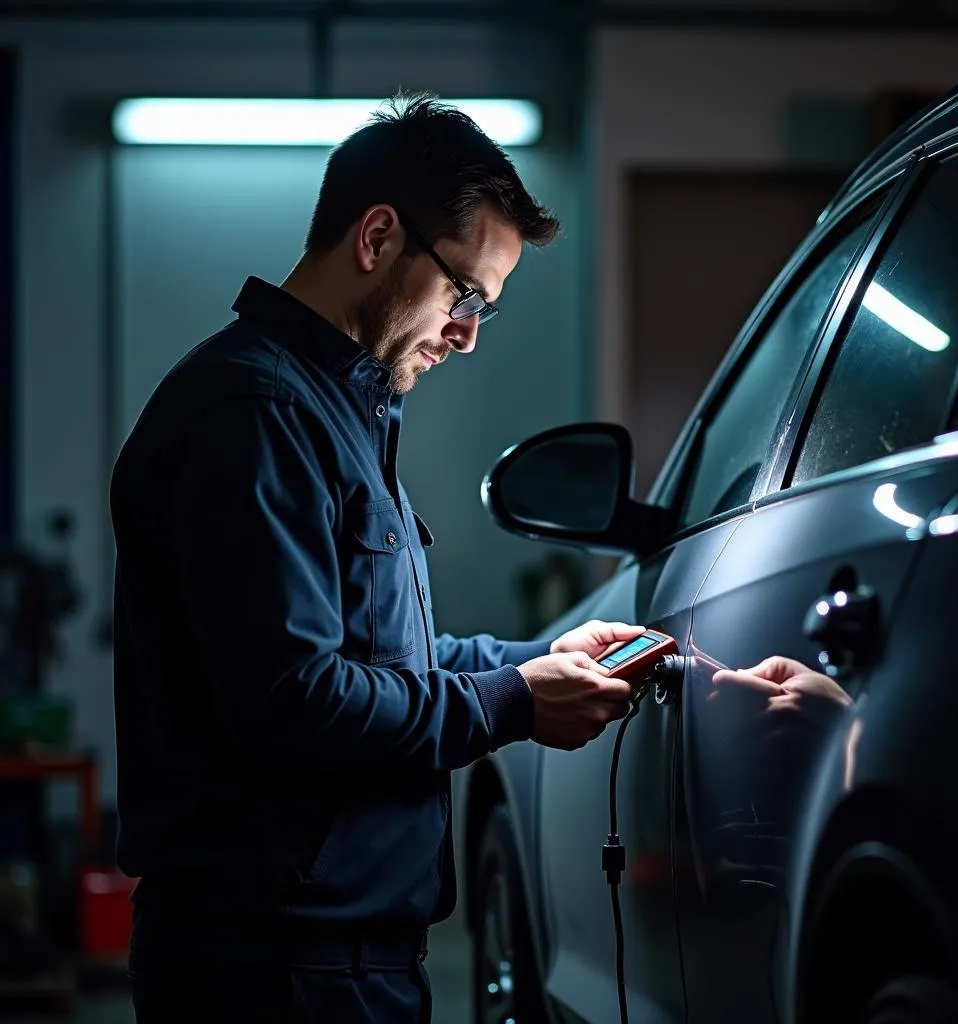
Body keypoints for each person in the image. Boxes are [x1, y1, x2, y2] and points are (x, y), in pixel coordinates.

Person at [109, 94, 644, 1024]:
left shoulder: (334, 414)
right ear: (378, 238)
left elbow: (377, 664)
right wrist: (516, 704)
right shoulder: (254, 418)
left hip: (333, 962)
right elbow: (294, 701)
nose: (470, 333)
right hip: (273, 974)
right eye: (464, 294)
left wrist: (537, 660)